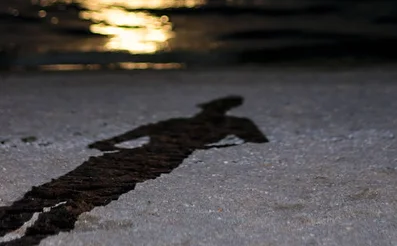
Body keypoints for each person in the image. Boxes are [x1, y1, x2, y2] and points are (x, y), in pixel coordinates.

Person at [0, 96, 267, 246]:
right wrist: (112, 142)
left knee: (81, 196)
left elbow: (255, 140)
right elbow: (140, 131)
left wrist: (214, 146)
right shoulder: (193, 123)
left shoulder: (227, 123)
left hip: (149, 160)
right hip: (142, 158)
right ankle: (20, 229)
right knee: (63, 190)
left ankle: (31, 237)